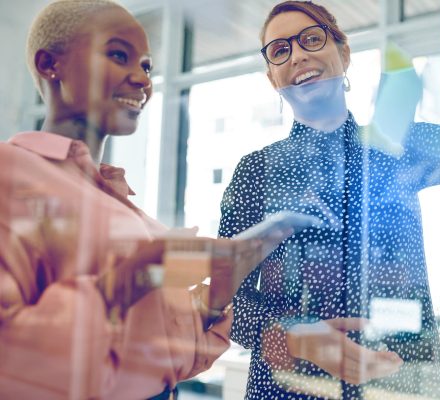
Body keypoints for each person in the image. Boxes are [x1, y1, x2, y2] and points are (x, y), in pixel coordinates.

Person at [0, 1, 318, 399]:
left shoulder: (121, 205)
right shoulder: (9, 172)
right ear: (51, 64)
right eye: (119, 55)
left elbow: (167, 358)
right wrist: (139, 272)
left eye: (148, 66)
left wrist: (221, 288)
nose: (141, 78)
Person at [218, 1, 440, 399]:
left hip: (399, 381)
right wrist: (294, 336)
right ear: (272, 78)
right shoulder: (257, 170)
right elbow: (224, 295)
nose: (298, 54)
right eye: (280, 50)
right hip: (290, 387)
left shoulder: (397, 146)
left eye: (312, 39)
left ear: (344, 53)